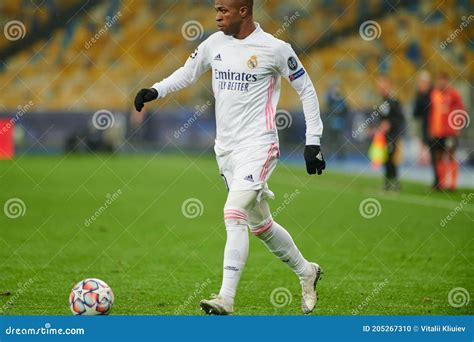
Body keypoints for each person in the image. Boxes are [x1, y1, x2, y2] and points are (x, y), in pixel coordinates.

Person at [134, 0, 325, 315]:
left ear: (244, 12)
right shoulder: (214, 44)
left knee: (233, 211)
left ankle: (226, 298)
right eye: (216, 9)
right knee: (260, 225)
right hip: (225, 150)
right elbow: (187, 72)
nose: (217, 15)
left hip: (259, 145)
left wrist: (313, 141)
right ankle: (307, 271)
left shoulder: (274, 48)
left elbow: (306, 89)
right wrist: (155, 90)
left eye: (224, 10)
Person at [429, 72, 465, 191]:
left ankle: (453, 184)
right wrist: (431, 128)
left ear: (447, 81)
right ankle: (441, 182)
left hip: (450, 132)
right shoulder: (434, 94)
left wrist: (458, 126)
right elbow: (431, 113)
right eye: (439, 80)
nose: (441, 83)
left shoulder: (453, 94)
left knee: (450, 155)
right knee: (439, 156)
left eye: (443, 80)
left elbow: (460, 110)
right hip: (437, 132)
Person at [375, 76, 405, 191]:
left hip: (393, 135)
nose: (381, 87)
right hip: (384, 136)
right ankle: (388, 182)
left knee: (392, 158)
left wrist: (390, 124)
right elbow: (381, 118)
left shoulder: (394, 102)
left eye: (383, 85)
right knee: (386, 158)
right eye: (380, 85)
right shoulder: (381, 102)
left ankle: (395, 182)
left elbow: (400, 119)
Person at [413, 71, 436, 186]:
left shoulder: (434, 94)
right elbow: (416, 113)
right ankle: (437, 181)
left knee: (438, 155)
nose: (422, 84)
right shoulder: (420, 95)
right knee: (432, 155)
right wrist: (420, 96)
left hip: (437, 129)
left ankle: (440, 181)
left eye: (424, 82)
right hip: (426, 129)